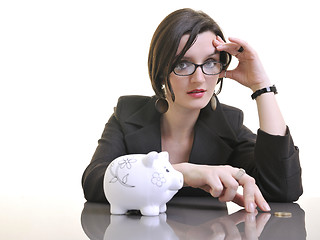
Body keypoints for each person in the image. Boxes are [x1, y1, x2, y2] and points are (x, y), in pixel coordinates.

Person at [82, 8, 303, 212]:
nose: (199, 79)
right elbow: (95, 183)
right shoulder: (127, 115)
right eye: (182, 64)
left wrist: (261, 86)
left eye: (210, 63)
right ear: (161, 72)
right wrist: (181, 173)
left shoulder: (227, 123)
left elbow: (283, 188)